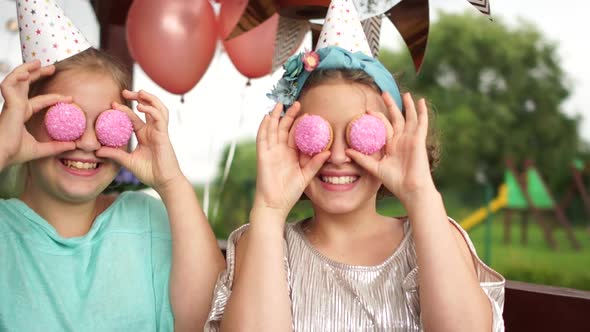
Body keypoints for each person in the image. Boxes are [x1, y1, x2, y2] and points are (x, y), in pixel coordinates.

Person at [205, 0, 505, 331]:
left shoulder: (435, 236)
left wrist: (420, 194)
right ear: (287, 142)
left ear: (396, 141)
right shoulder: (263, 241)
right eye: (315, 134)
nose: (336, 156)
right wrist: (269, 208)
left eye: (361, 134)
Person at [0, 47, 224, 331]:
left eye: (109, 124)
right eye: (67, 119)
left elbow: (208, 319)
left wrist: (171, 182)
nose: (90, 143)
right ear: (25, 123)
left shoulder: (147, 218)